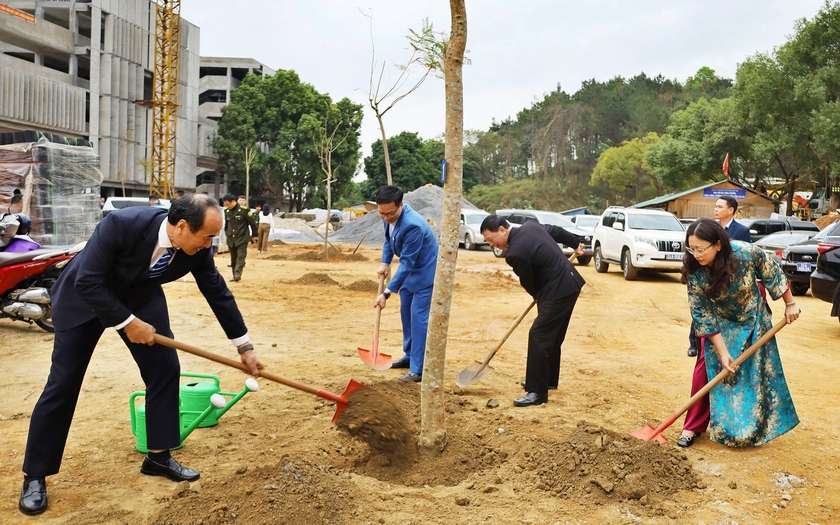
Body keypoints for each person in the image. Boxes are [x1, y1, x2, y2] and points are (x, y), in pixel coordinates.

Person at [18, 193, 263, 516]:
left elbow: (216, 290)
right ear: (182, 226)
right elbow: (89, 280)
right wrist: (127, 322)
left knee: (164, 368)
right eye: (206, 237)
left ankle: (158, 456)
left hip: (140, 297)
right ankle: (35, 475)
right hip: (85, 297)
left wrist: (243, 346)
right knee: (63, 383)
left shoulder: (198, 248)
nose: (209, 245)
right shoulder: (121, 224)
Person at [679, 218, 799, 448]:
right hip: (720, 323)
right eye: (691, 248)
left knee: (756, 372)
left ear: (718, 245)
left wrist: (790, 304)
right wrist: (723, 352)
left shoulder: (746, 253)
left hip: (753, 318)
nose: (695, 254)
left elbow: (771, 273)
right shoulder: (695, 271)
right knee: (705, 371)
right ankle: (692, 426)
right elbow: (702, 314)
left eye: (700, 249)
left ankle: (752, 428)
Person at [480, 215, 586, 407]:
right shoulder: (531, 226)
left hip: (558, 291)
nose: (491, 244)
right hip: (570, 283)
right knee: (552, 336)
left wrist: (539, 296)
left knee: (539, 334)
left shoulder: (515, 254)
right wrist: (575, 243)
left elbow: (529, 282)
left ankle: (537, 392)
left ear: (502, 230)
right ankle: (547, 380)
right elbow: (557, 231)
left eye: (490, 238)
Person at [373, 186, 438, 382]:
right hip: (408, 273)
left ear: (401, 205)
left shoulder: (413, 225)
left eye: (390, 213)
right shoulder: (388, 218)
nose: (386, 218)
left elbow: (407, 262)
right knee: (406, 315)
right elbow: (388, 240)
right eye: (381, 213)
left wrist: (386, 293)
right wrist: (385, 262)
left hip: (425, 273)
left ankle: (418, 369)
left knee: (418, 318)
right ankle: (410, 356)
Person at [222, 193, 258, 282]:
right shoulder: (226, 211)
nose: (227, 206)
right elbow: (227, 224)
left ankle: (237, 274)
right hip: (231, 238)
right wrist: (227, 233)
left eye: (228, 204)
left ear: (233, 202)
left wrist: (254, 235)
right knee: (233, 258)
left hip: (242, 237)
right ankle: (234, 274)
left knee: (241, 256)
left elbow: (253, 223)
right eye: (226, 204)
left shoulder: (244, 210)